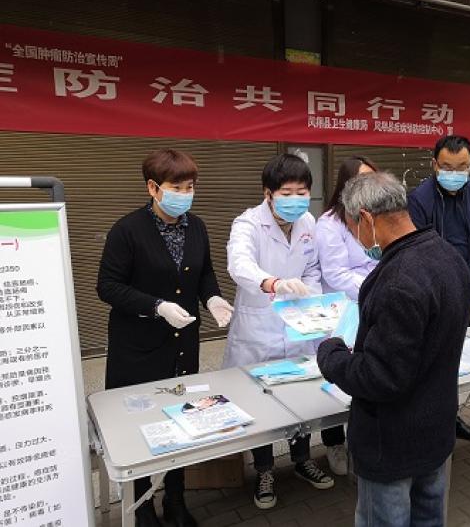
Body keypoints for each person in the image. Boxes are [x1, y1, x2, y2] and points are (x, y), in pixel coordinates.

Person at [317, 172, 470, 527]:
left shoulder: (398, 280)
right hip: (435, 430)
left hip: (392, 441)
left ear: (366, 218)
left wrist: (332, 354)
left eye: (353, 228)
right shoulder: (447, 255)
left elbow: (380, 377)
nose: (356, 237)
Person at [97, 149, 233, 527]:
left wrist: (213, 298)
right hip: (138, 347)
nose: (185, 194)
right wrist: (156, 306)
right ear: (153, 188)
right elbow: (107, 286)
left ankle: (176, 499)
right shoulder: (127, 230)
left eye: (190, 187)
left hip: (182, 344)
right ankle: (142, 505)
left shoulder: (196, 227)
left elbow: (204, 273)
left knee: (181, 418)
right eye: (177, 187)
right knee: (140, 425)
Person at [223, 153, 334, 509]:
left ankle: (302, 460)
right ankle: (264, 470)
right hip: (259, 328)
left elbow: (313, 267)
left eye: (302, 192)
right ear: (268, 193)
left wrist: (308, 293)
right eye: (287, 193)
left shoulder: (307, 221)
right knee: (263, 399)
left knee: (300, 394)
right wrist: (273, 283)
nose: (295, 200)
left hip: (297, 323)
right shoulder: (248, 223)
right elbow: (239, 264)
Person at [408, 134, 470, 443]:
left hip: (464, 290)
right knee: (429, 359)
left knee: (455, 357)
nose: (454, 174)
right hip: (433, 293)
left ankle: (449, 416)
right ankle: (423, 421)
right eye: (447, 167)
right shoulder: (420, 198)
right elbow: (415, 247)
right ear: (435, 165)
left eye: (462, 167)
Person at [315, 155, 378, 476]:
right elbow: (336, 274)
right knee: (337, 373)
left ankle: (361, 437)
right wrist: (378, 285)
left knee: (367, 372)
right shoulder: (330, 223)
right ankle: (333, 443)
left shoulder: (375, 215)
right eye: (360, 179)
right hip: (343, 310)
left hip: (373, 305)